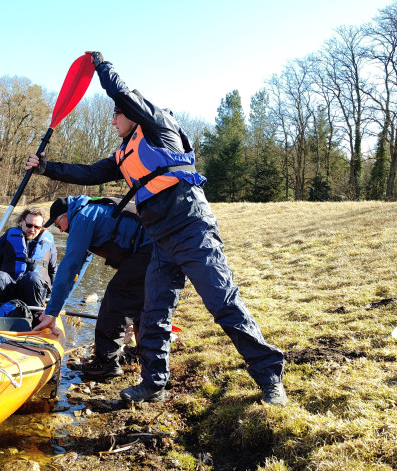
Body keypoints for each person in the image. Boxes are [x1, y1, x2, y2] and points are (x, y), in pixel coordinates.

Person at [29, 53, 287, 407]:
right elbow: (87, 174)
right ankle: (154, 382)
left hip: (192, 229)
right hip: (161, 241)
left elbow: (122, 94)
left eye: (115, 114)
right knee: (152, 314)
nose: (111, 120)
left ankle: (269, 373)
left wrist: (101, 66)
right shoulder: (123, 154)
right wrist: (45, 168)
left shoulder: (158, 128)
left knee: (223, 304)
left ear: (131, 113)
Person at [41, 194, 152, 379]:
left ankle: (106, 364)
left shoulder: (83, 216)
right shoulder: (89, 213)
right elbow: (77, 271)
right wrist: (57, 306)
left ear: (65, 214)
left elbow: (69, 266)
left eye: (56, 223)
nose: (59, 230)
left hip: (152, 247)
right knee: (138, 303)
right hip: (154, 247)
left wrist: (51, 311)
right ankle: (142, 355)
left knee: (116, 299)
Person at [0, 206, 57, 323]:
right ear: (22, 221)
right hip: (9, 288)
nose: (32, 229)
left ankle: (36, 322)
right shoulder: (6, 238)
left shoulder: (49, 244)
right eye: (29, 225)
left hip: (33, 291)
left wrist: (52, 298)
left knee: (33, 278)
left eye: (37, 227)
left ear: (42, 227)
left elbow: (53, 271)